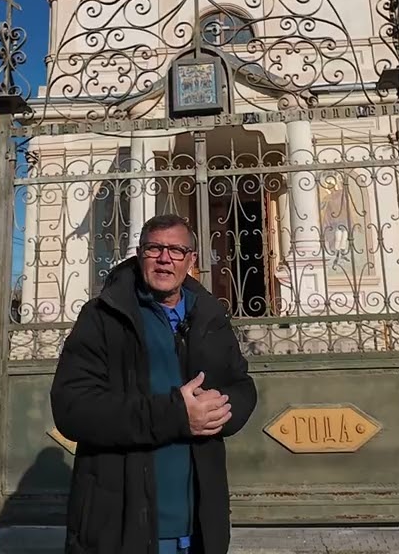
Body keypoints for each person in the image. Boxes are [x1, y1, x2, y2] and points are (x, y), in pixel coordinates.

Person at [50, 213, 258, 554]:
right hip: (122, 525)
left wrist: (222, 410)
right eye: (154, 249)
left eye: (176, 250)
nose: (165, 259)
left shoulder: (209, 314)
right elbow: (73, 408)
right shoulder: (103, 316)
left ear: (191, 260)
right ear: (139, 253)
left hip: (201, 527)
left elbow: (241, 384)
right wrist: (176, 415)